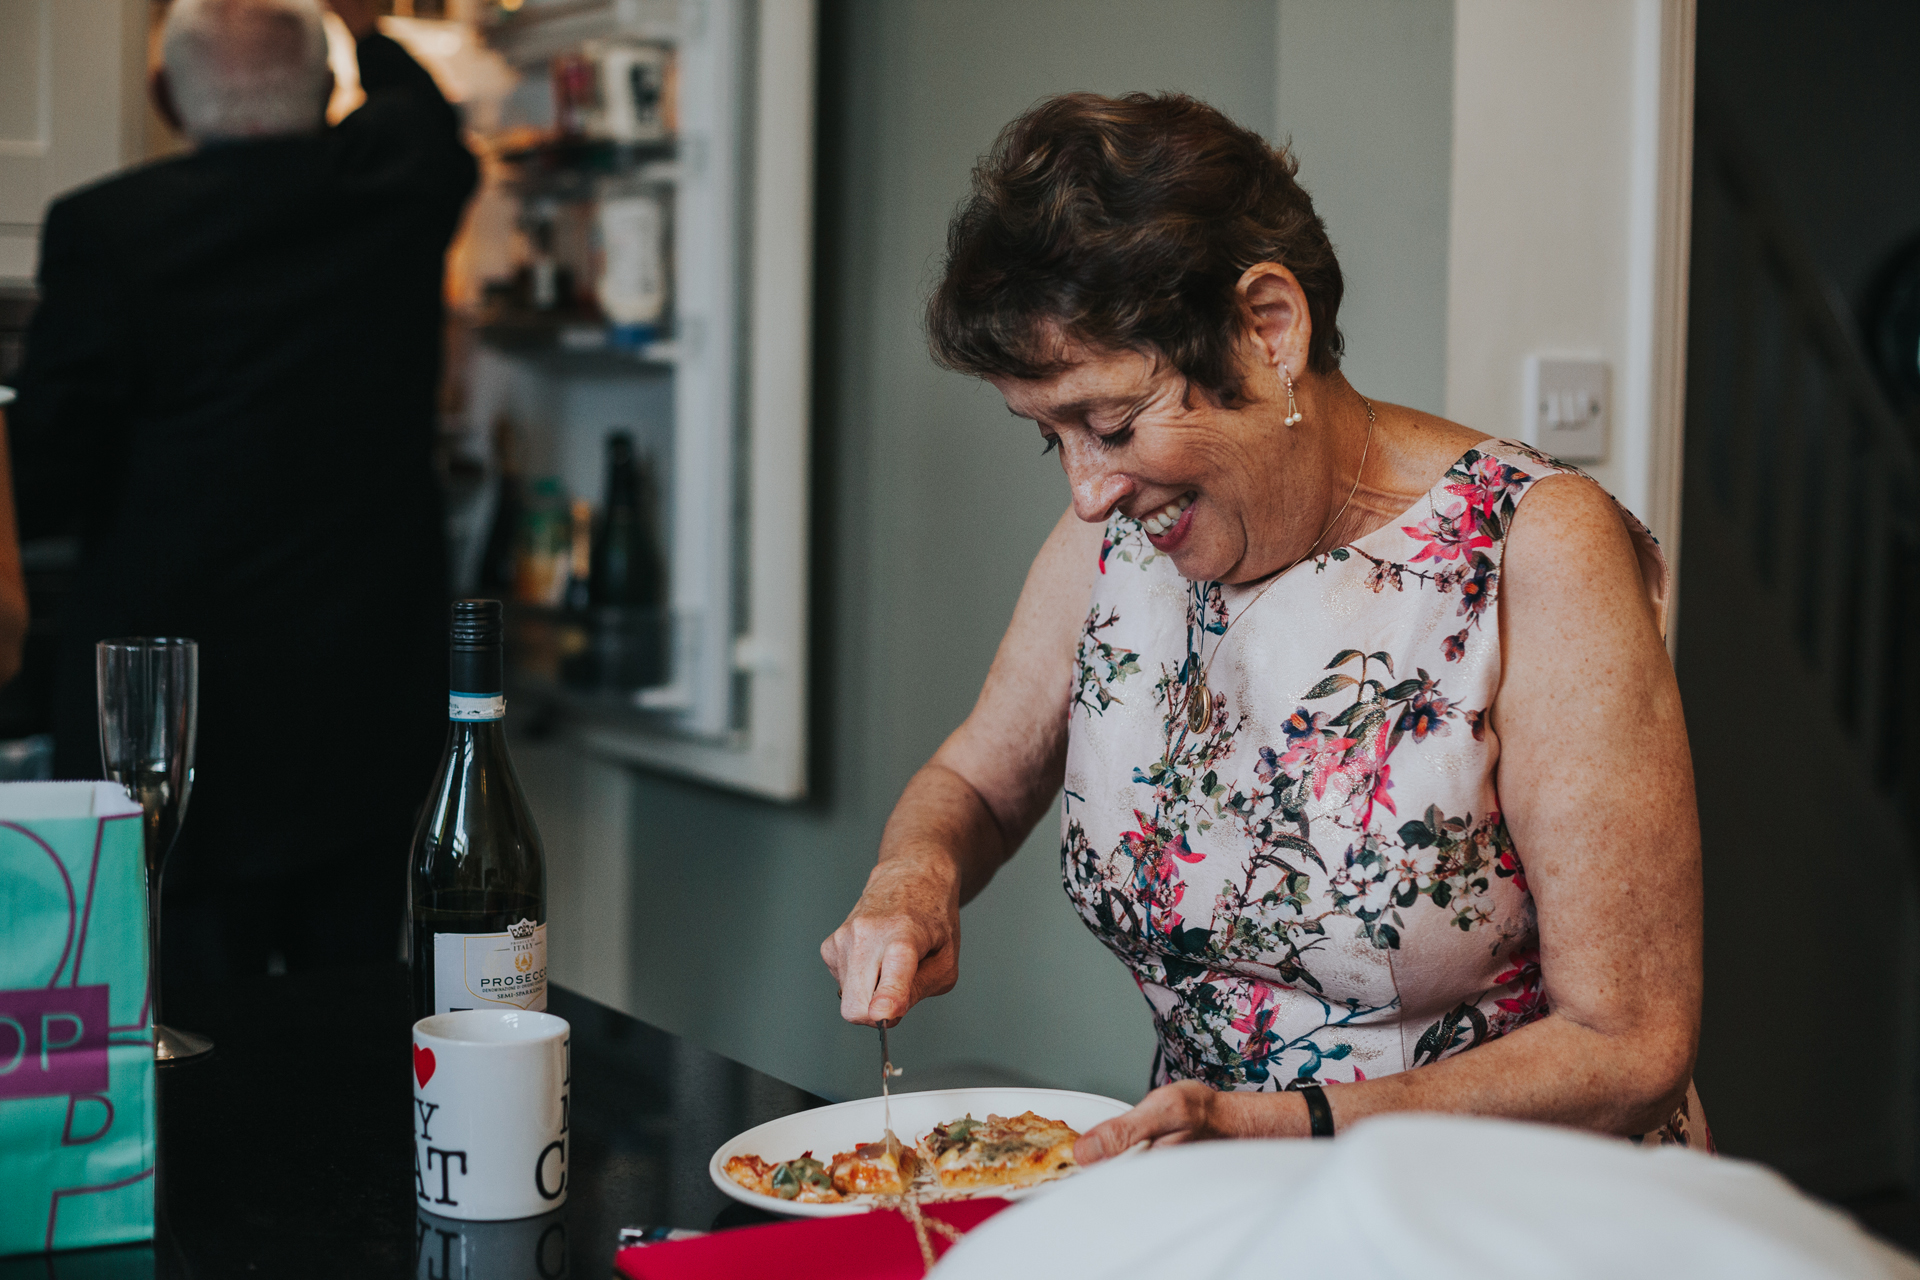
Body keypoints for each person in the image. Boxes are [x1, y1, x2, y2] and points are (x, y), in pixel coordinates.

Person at [821, 93, 1707, 1156]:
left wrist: (1281, 1126)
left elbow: (1633, 1043)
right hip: (1223, 1197)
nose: (1086, 490)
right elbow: (977, 780)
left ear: (1268, 327)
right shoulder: (1118, 538)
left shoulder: (1531, 551)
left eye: (1110, 423)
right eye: (1047, 436)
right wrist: (913, 873)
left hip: (1500, 1214)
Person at [8, 0, 475, 991]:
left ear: (167, 95)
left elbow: (49, 469)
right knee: (350, 1009)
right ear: (326, 92)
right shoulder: (394, 191)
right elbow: (426, 118)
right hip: (364, 704)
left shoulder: (108, 228)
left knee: (182, 1016)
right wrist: (362, 21)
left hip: (177, 716)